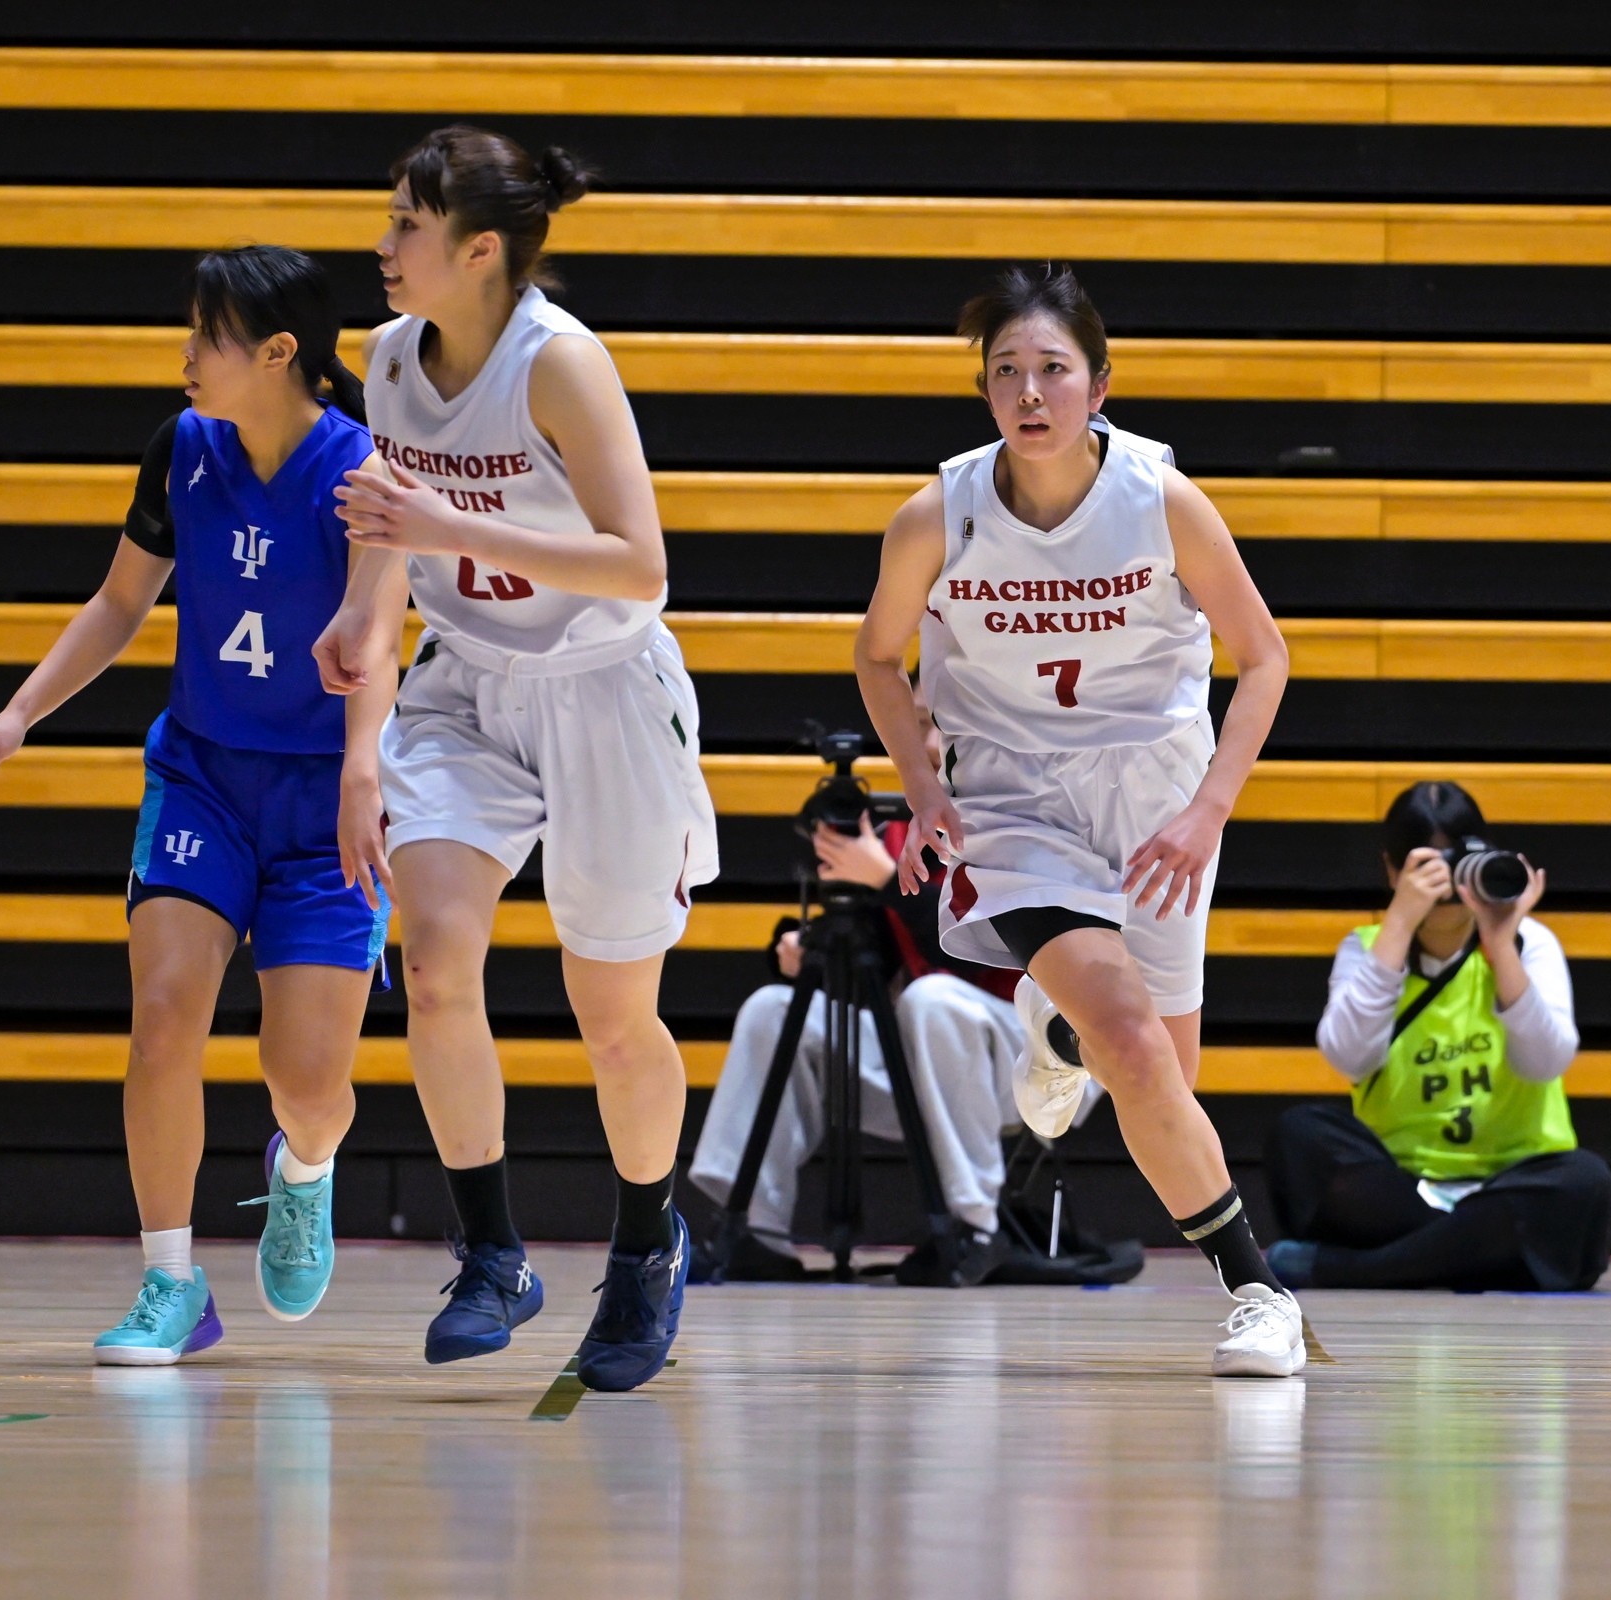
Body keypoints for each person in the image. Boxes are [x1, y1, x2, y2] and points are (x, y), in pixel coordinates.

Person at [312, 126, 716, 1393]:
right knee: (435, 965)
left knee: (615, 1019)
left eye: (407, 223)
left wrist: (451, 522)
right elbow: (390, 527)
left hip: (604, 689)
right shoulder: (389, 357)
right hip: (468, 687)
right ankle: (493, 1254)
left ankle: (646, 1246)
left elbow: (640, 564)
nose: (384, 244)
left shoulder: (562, 363)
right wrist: (363, 630)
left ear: (480, 249)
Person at [853, 262, 1307, 1376]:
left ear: (1099, 386)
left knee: (1164, 1074)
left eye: (1053, 369)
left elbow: (1265, 659)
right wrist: (923, 787)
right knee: (1133, 1042)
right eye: (1006, 371)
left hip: (1156, 801)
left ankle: (1059, 1035)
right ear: (984, 391)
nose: (1029, 391)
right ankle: (1261, 1292)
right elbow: (875, 655)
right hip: (1011, 798)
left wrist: (1208, 812)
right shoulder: (939, 513)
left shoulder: (1162, 499)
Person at [0, 246, 390, 1363]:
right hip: (202, 779)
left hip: (323, 799)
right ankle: (171, 1282)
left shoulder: (362, 472)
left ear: (279, 353)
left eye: (207, 334)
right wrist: (18, 714)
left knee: (307, 1082)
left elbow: (378, 642)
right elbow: (118, 603)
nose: (186, 353)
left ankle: (305, 1170)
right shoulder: (181, 450)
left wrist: (362, 771)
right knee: (163, 1015)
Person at [687, 695, 1045, 1283]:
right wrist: (805, 949)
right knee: (772, 1010)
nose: (928, 743)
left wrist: (881, 878)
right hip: (929, 1058)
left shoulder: (1027, 817)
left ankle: (975, 1228)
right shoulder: (901, 826)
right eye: (920, 723)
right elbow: (879, 966)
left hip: (1035, 1056)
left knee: (933, 1001)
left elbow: (986, 946)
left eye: (943, 725)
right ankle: (750, 1226)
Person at [1264, 781, 1611, 1292]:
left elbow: (1546, 1063)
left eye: (1455, 860)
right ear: (1392, 870)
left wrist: (1500, 945)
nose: (1444, 883)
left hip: (1512, 1180)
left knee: (1584, 1180)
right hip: (1401, 1188)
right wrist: (1399, 923)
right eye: (1426, 864)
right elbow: (1349, 1058)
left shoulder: (1528, 942)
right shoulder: (1367, 947)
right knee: (1299, 1133)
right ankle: (1473, 1253)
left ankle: (1353, 1269)